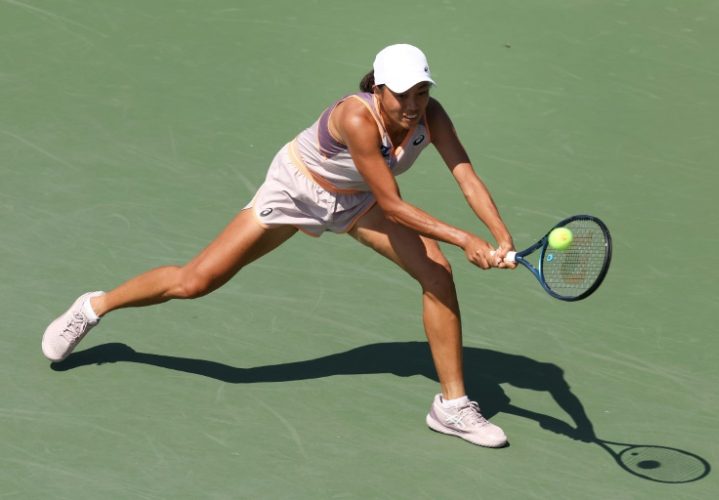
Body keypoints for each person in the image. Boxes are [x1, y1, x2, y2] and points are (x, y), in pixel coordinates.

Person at [42, 43, 517, 448]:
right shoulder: (357, 117)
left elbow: (466, 176)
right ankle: (94, 306)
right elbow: (393, 206)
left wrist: (500, 236)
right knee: (195, 282)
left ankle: (451, 406)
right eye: (402, 95)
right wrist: (463, 238)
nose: (413, 105)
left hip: (357, 200)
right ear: (378, 89)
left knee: (437, 274)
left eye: (421, 92)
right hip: (297, 190)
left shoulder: (430, 117)